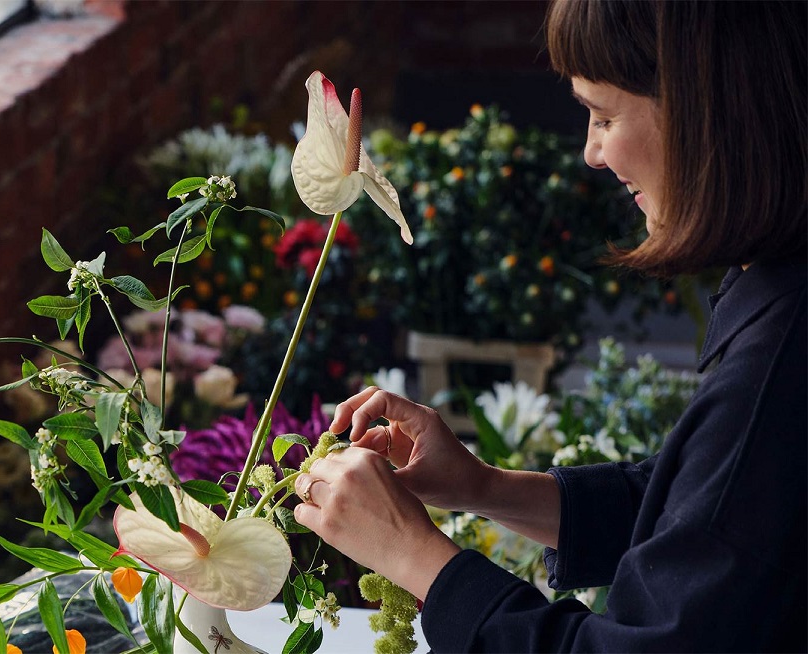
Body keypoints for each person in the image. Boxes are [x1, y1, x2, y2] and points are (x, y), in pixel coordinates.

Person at [293, 0, 807, 651]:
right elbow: (693, 519)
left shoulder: (779, 370)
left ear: (709, 110)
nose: (591, 151)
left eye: (603, 116)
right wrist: (480, 487)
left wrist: (414, 555)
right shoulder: (771, 277)